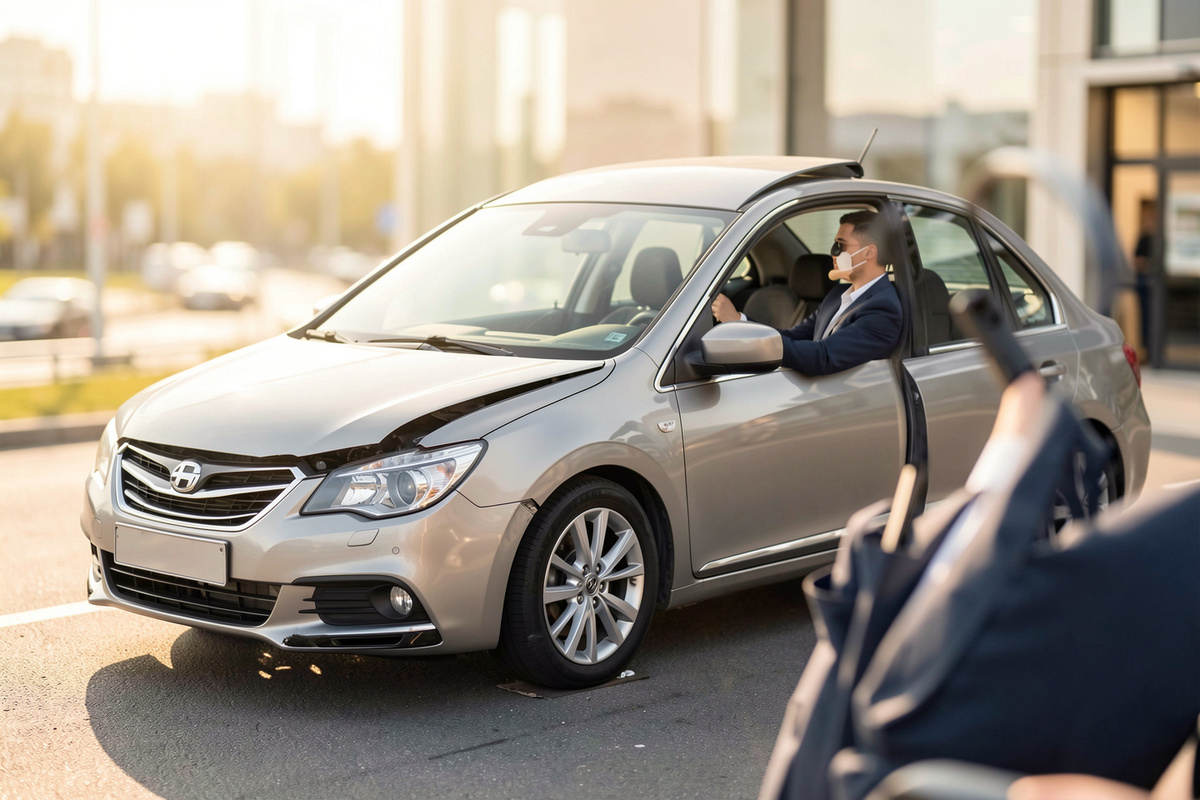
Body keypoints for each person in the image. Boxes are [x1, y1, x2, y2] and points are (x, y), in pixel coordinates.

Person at [711, 210, 902, 375]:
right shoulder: (837, 295)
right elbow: (792, 337)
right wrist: (739, 322)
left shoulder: (883, 309)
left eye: (841, 245)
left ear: (869, 253)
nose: (833, 252)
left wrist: (754, 342)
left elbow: (823, 356)